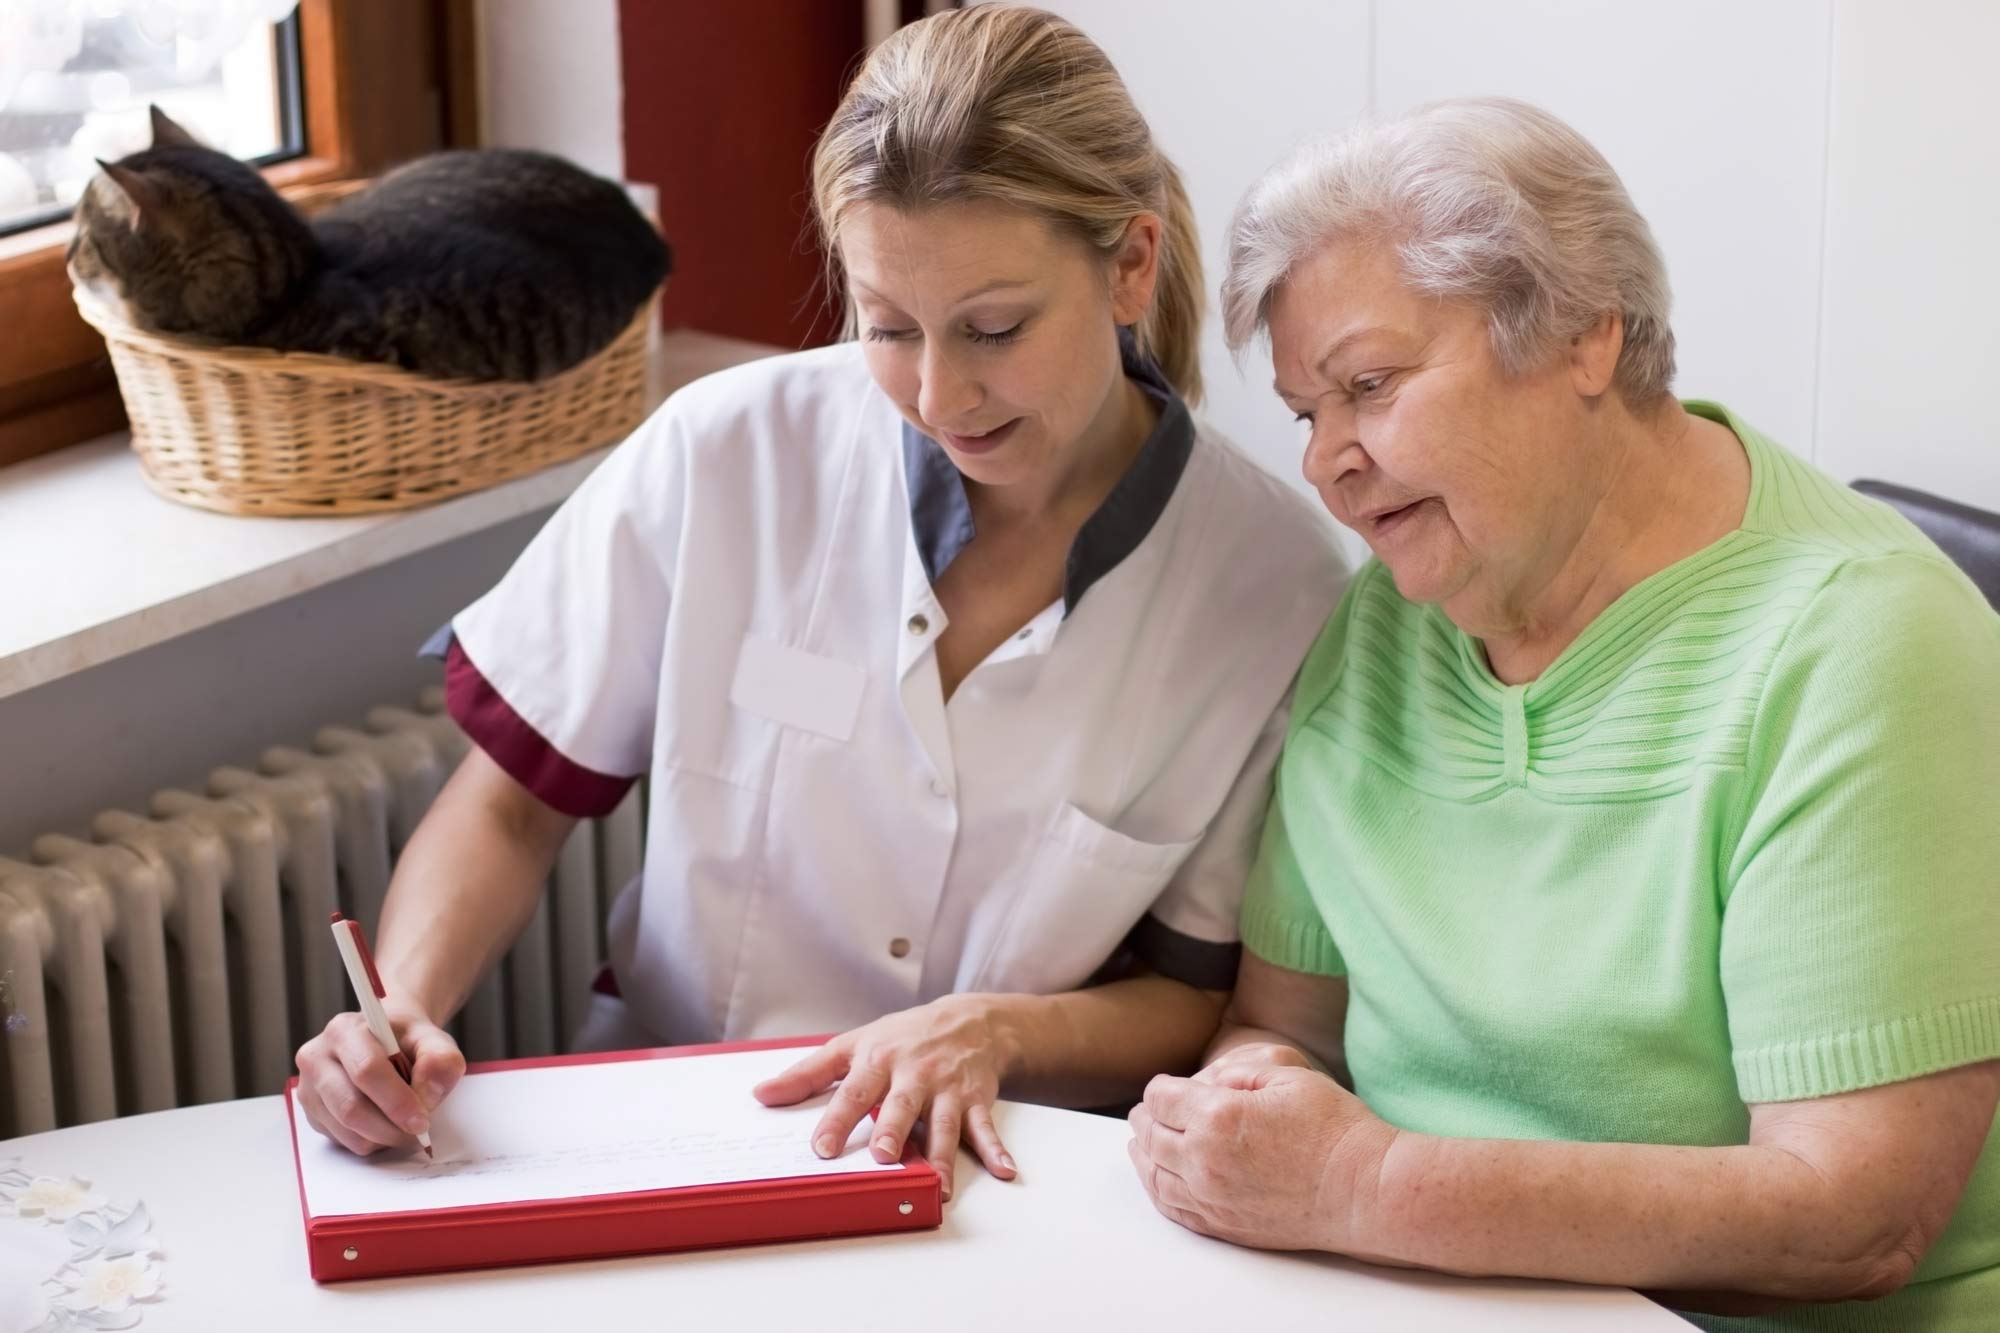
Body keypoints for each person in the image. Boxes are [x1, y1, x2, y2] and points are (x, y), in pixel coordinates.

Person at [295, 5, 1344, 1202]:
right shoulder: (724, 453)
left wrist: (992, 1029)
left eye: (993, 328)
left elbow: (1190, 992)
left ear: (1130, 266)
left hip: (1005, 1173)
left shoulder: (1274, 587)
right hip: (671, 1119)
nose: (939, 393)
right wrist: (399, 1012)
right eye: (887, 327)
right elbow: (508, 808)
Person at [1126, 97, 2000, 1329]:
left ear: (1585, 336)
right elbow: (1282, 1025)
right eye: (1305, 413)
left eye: (1368, 385)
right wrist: (1251, 1107)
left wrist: (1362, 1183)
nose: (1326, 458)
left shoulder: (1859, 645)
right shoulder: (1387, 620)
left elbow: (1853, 1216)